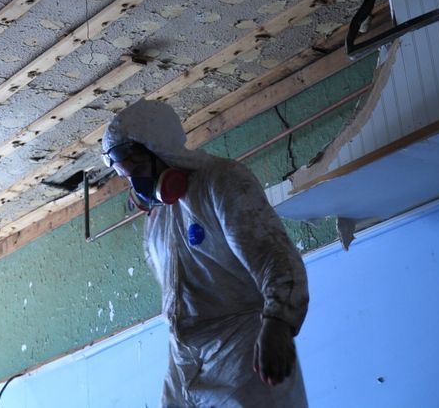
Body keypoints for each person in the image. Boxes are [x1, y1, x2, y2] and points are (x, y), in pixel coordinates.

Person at [102, 99, 309, 407]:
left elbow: (273, 256)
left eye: (140, 168)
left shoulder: (220, 182)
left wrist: (278, 321)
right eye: (126, 176)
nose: (136, 184)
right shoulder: (158, 221)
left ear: (162, 149)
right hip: (183, 363)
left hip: (239, 352)